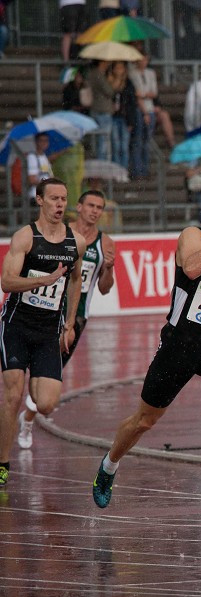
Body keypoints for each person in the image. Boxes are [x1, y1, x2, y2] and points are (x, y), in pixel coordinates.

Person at [91, 186, 201, 509]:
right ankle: (109, 465)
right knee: (144, 421)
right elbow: (194, 269)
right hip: (180, 343)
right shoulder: (192, 236)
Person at [0, 178, 86, 486]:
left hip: (48, 331)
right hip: (16, 327)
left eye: (64, 198)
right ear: (40, 201)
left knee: (47, 403)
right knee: (12, 394)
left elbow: (75, 280)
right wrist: (43, 280)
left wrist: (70, 321)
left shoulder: (76, 242)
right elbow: (7, 282)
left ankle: (27, 418)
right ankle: (2, 463)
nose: (60, 204)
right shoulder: (25, 237)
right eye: (53, 199)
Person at [16, 194, 114, 449]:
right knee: (33, 369)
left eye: (99, 208)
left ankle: (28, 416)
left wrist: (109, 268)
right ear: (79, 207)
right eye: (90, 206)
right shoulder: (60, 234)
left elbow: (104, 289)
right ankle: (26, 410)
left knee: (51, 373)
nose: (94, 211)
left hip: (76, 316)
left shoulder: (105, 244)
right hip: (46, 309)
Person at [25, 133, 53, 203]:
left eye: (46, 141)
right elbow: (32, 180)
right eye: (41, 140)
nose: (44, 143)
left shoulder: (44, 156)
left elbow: (49, 175)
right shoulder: (32, 157)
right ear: (36, 142)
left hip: (47, 195)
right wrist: (48, 185)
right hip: (36, 195)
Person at [59, 0, 87, 66]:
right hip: (68, 3)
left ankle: (81, 58)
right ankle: (66, 62)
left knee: (80, 33)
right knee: (68, 34)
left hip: (81, 3)